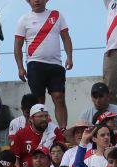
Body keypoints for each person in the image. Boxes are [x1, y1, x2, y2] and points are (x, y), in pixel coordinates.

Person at [13, 0, 74, 128]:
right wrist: (20, 67)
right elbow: (18, 46)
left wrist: (69, 57)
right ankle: (40, 130)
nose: (37, 1)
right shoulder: (24, 20)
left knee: (59, 97)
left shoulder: (57, 15)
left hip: (55, 64)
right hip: (35, 64)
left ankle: (62, 129)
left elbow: (65, 37)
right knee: (39, 103)